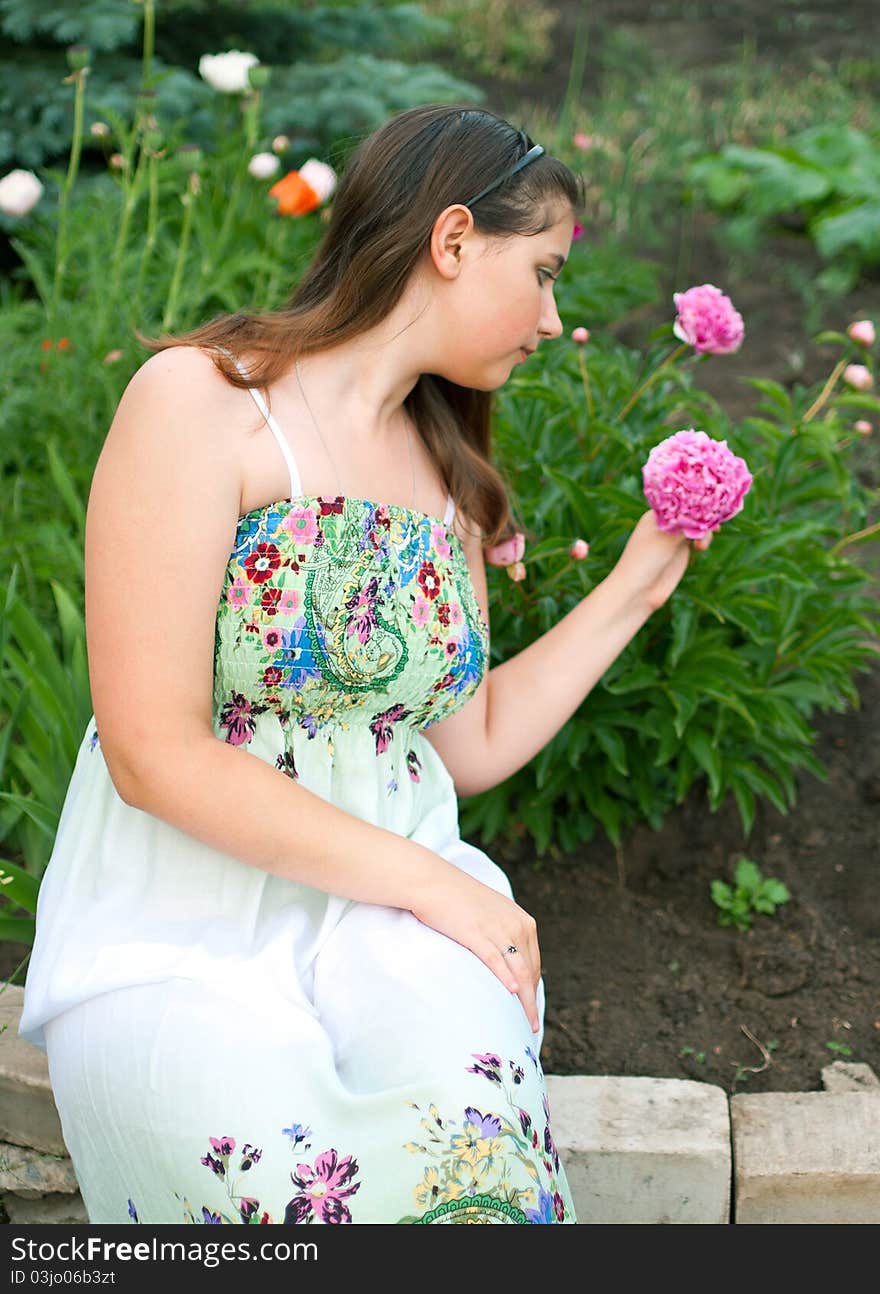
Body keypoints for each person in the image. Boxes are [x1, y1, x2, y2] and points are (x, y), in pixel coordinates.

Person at [19, 103, 709, 1226]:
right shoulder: (205, 404)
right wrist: (439, 885)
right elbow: (151, 750)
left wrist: (638, 579)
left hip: (385, 932)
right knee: (289, 1201)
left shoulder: (450, 474)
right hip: (176, 930)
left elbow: (470, 742)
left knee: (480, 1181)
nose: (549, 318)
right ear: (450, 242)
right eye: (539, 273)